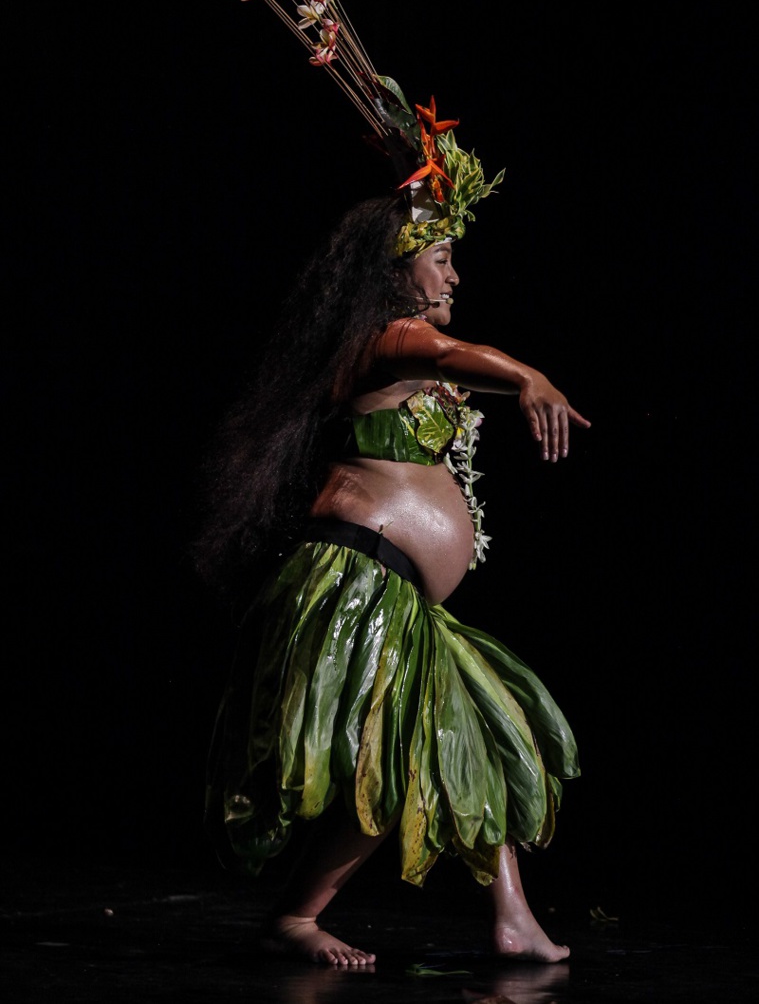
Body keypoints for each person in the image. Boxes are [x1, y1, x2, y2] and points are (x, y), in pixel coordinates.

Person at [194, 191, 591, 968]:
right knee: (400, 752)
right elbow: (448, 356)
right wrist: (527, 376)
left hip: (395, 593)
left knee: (476, 733)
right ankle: (297, 917)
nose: (453, 275)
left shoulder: (398, 348)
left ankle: (512, 916)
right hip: (356, 581)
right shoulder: (384, 340)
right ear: (392, 271)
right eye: (438, 258)